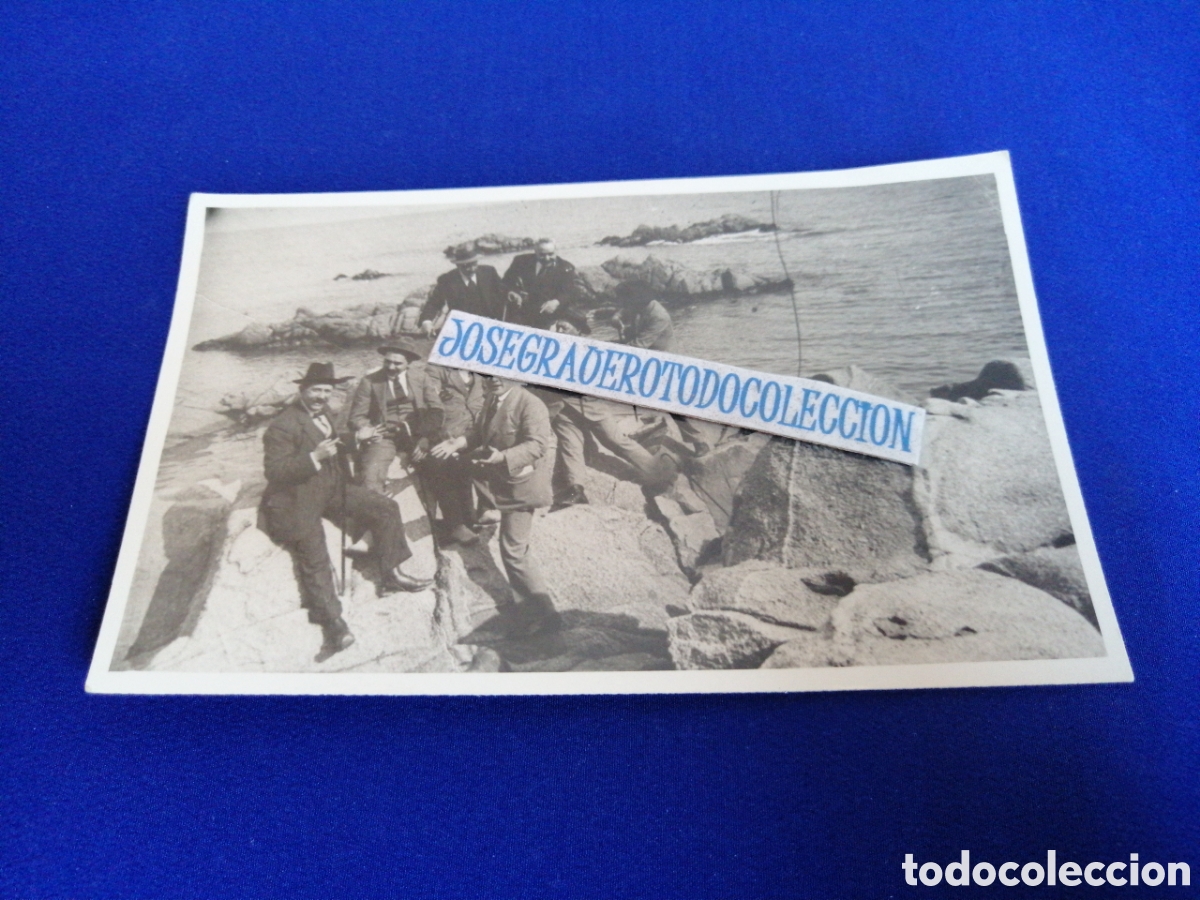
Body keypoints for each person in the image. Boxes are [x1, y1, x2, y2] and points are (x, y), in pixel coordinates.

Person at [259, 363, 433, 662]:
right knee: (315, 557)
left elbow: (335, 443)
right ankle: (334, 626)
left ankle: (391, 573)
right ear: (302, 390)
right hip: (297, 498)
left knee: (385, 507)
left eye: (327, 391)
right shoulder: (283, 426)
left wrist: (357, 439)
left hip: (330, 489)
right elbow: (274, 471)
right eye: (316, 390)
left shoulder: (323, 413)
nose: (321, 396)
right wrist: (314, 457)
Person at [438, 375, 559, 634]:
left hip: (522, 486)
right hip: (504, 483)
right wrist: (459, 442)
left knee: (513, 550)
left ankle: (545, 616)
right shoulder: (493, 399)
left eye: (499, 373)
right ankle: (535, 612)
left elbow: (538, 445)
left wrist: (502, 457)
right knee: (514, 550)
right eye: (488, 373)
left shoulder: (530, 403)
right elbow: (479, 433)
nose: (493, 379)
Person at [348, 340, 434, 496]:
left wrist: (425, 436)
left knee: (442, 464)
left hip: (416, 434)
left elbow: (436, 409)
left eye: (397, 363)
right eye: (387, 362)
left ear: (408, 363)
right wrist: (368, 429)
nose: (391, 367)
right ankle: (376, 507)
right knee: (371, 473)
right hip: (385, 436)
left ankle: (438, 512)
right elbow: (357, 416)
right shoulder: (369, 381)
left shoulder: (421, 378)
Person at [422, 363, 487, 545]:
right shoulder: (437, 369)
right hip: (445, 432)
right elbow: (430, 396)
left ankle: (471, 518)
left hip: (472, 432)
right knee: (444, 464)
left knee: (468, 464)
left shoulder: (479, 371)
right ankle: (455, 525)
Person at [501, 238, 586, 329]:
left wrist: (556, 302)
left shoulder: (565, 267)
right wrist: (512, 292)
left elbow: (569, 291)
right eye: (542, 255)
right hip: (524, 307)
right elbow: (506, 281)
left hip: (549, 309)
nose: (547, 258)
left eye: (551, 254)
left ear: (556, 251)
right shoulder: (521, 261)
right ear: (535, 252)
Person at [418, 246, 506, 334]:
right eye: (467, 266)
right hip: (462, 328)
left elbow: (504, 293)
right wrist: (426, 322)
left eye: (474, 264)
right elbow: (433, 303)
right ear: (457, 265)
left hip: (491, 325)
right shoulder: (447, 280)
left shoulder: (489, 272)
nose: (472, 269)